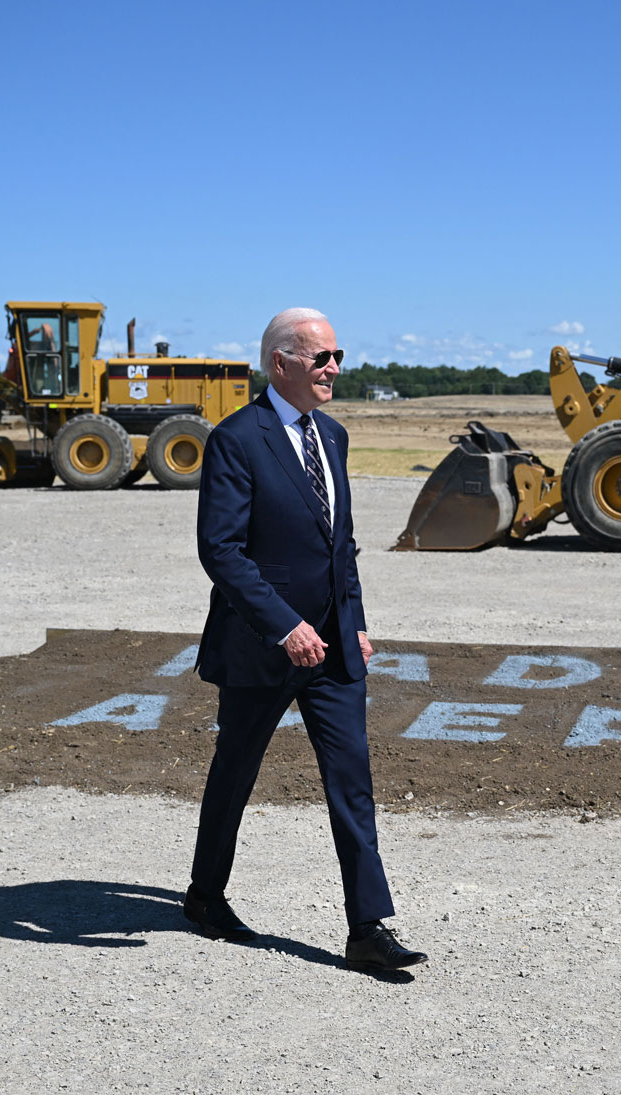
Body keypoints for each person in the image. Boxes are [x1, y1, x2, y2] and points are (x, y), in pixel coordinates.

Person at [184, 307, 426, 972]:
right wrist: (283, 626)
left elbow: (338, 544)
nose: (334, 370)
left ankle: (367, 929)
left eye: (336, 356)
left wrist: (356, 622)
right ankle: (205, 895)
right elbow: (222, 550)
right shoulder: (236, 439)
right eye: (320, 358)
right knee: (234, 772)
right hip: (261, 645)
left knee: (352, 780)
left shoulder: (336, 437)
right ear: (279, 364)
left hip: (333, 649)